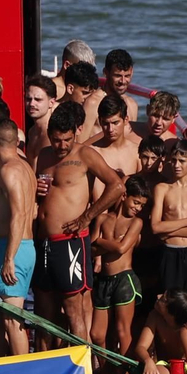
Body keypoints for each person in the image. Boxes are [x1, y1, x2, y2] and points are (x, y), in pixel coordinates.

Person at [33, 101, 125, 343]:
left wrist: (87, 216)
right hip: (43, 241)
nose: (61, 146)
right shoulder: (43, 155)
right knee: (43, 313)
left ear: (75, 133)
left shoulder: (85, 155)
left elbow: (117, 186)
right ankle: (46, 369)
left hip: (70, 242)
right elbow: (38, 193)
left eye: (67, 139)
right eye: (56, 140)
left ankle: (82, 371)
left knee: (74, 310)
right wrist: (36, 190)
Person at [90, 176, 148, 374]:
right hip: (104, 280)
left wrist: (102, 243)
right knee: (96, 334)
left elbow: (123, 248)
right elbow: (92, 248)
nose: (137, 208)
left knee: (123, 331)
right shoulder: (103, 219)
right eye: (135, 202)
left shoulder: (137, 223)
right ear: (124, 196)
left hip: (124, 279)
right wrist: (108, 244)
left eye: (141, 205)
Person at [0, 119, 36, 356]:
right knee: (9, 318)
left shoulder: (9, 171)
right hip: (15, 246)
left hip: (14, 249)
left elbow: (19, 214)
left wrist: (9, 258)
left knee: (12, 321)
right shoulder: (24, 167)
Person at [151, 140, 187, 307]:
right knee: (168, 306)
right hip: (170, 253)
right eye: (174, 160)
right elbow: (155, 227)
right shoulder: (162, 188)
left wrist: (168, 231)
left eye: (182, 161)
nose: (177, 165)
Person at [92, 93, 140, 184]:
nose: (110, 129)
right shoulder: (93, 153)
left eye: (115, 123)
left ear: (126, 120)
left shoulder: (136, 152)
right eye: (106, 124)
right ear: (100, 122)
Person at [60, 61, 105, 142]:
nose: (89, 98)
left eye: (92, 93)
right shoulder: (54, 110)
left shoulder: (95, 107)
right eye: (85, 93)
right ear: (70, 89)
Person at [22, 75, 57, 161]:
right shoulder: (32, 132)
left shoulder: (53, 134)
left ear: (51, 103)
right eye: (28, 99)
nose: (31, 104)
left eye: (38, 99)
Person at [103, 49, 139, 123]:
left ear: (132, 73)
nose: (122, 81)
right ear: (106, 73)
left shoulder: (132, 105)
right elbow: (83, 134)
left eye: (127, 76)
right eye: (118, 76)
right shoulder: (93, 103)